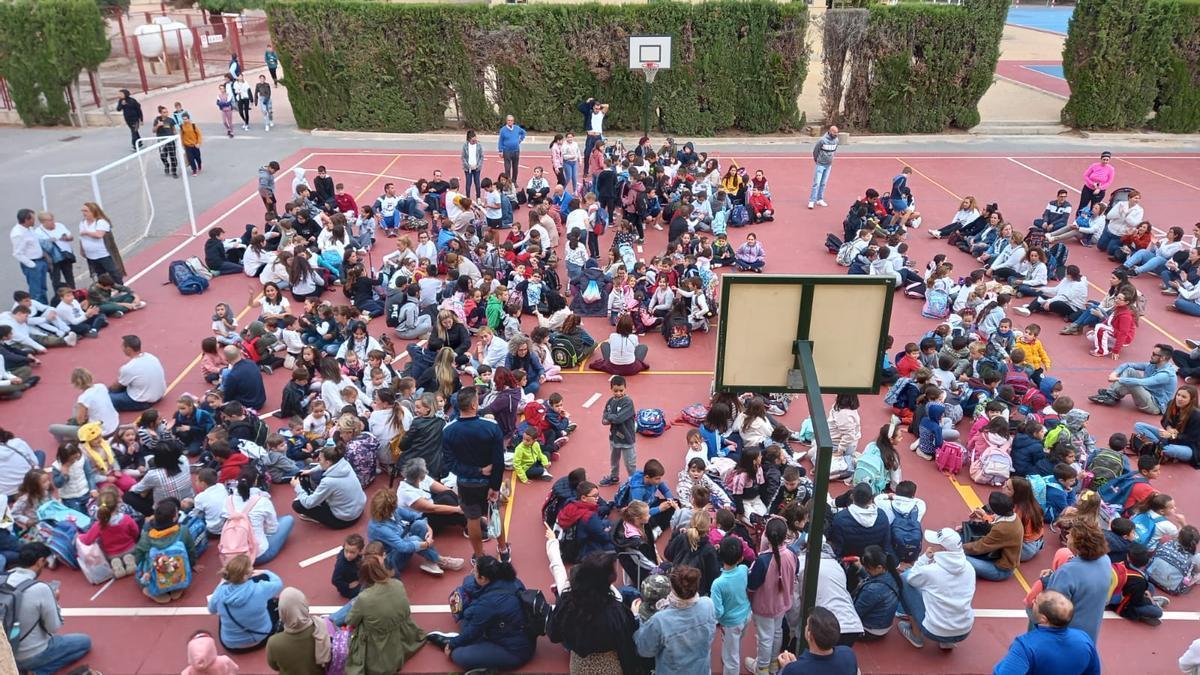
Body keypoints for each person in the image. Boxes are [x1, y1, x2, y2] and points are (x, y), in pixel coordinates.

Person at [427, 556, 536, 671]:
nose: (472, 572)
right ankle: (482, 651)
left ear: (483, 578)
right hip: (518, 636)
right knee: (469, 617)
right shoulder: (511, 580)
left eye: (475, 571)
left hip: (514, 652)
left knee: (458, 655)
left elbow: (473, 632)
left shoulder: (490, 603)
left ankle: (486, 663)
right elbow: (470, 583)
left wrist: (452, 644)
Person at [2, 542, 92, 674]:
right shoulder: (41, 588)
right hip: (31, 654)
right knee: (84, 642)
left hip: (6, 652)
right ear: (40, 561)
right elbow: (53, 627)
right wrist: (54, 601)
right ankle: (38, 672)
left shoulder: (3, 577)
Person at [442, 387, 510, 562]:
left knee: (472, 518)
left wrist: (474, 471)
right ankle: (503, 550)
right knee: (495, 514)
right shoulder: (491, 427)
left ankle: (479, 556)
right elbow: (499, 461)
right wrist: (494, 486)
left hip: (466, 484)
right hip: (488, 483)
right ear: (473, 405)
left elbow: (450, 464)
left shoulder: (448, 430)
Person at [546, 551, 642, 673]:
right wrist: (634, 615)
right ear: (610, 578)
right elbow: (626, 646)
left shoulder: (567, 602)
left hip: (579, 664)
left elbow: (554, 633)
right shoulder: (616, 612)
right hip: (608, 666)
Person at [344, 553, 426, 672]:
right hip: (406, 633)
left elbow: (350, 621)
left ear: (363, 575)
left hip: (380, 644)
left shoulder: (364, 597)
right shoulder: (397, 583)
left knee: (356, 623)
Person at [897, 528, 975, 650]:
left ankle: (916, 634)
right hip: (964, 631)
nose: (932, 546)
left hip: (934, 631)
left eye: (936, 544)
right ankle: (948, 642)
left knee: (904, 579)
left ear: (944, 549)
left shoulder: (931, 571)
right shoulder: (969, 568)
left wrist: (923, 559)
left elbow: (911, 578)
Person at [634, 564, 716, 675]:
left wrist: (638, 618)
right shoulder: (708, 604)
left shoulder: (660, 620)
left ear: (672, 588)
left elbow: (644, 650)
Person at [993, 590, 1101, 675]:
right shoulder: (1084, 639)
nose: (1033, 600)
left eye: (1036, 601)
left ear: (1044, 618)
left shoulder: (1025, 646)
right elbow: (1093, 671)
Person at [366, 489, 463, 576]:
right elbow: (402, 546)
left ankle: (431, 560)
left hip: (402, 537)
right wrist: (426, 544)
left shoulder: (393, 511)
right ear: (388, 509)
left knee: (420, 524)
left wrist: (429, 529)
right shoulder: (379, 528)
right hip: (390, 559)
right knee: (414, 539)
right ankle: (440, 560)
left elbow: (416, 516)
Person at [1045, 524, 1112, 642]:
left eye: (1070, 535)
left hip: (1066, 634)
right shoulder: (1105, 560)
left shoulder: (1067, 571)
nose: (1067, 535)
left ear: (1078, 544)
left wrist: (1047, 580)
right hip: (1089, 632)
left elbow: (1053, 607)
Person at [746, 519, 798, 674]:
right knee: (777, 632)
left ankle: (762, 667)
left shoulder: (762, 561)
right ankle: (775, 663)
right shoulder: (792, 554)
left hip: (765, 605)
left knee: (765, 637)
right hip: (782, 602)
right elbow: (794, 572)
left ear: (766, 536)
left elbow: (752, 585)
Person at [207, 554, 283, 652]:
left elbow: (211, 609)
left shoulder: (220, 592)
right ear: (246, 575)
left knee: (222, 612)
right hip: (261, 639)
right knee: (274, 603)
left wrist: (221, 585)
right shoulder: (260, 588)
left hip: (232, 646)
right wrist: (265, 571)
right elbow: (278, 583)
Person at [226, 468, 294, 565]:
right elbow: (272, 529)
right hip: (258, 555)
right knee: (288, 519)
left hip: (232, 554)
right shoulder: (262, 500)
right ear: (256, 481)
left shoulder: (228, 500)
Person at [1088, 343, 1178, 415]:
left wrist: (1118, 379)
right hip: (1147, 394)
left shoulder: (1166, 375)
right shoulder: (1154, 365)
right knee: (1130, 371)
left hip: (1155, 406)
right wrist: (1114, 373)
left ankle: (1112, 394)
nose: (1151, 356)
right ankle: (1112, 394)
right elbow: (1128, 364)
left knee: (1134, 383)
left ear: (1163, 358)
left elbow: (1143, 382)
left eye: (1154, 354)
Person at [290, 445, 367, 529]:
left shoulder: (328, 482)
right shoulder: (344, 464)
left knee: (297, 504)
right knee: (315, 477)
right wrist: (310, 471)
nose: (318, 461)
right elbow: (324, 465)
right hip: (358, 510)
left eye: (320, 459)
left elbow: (309, 503)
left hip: (344, 520)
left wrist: (297, 486)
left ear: (327, 462)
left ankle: (318, 517)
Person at [266, 587, 333, 674]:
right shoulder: (321, 627)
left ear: (282, 611)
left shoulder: (273, 642)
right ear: (305, 605)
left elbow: (274, 666)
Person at [776, 607, 859, 675]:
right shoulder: (848, 654)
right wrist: (796, 665)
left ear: (809, 635)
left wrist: (787, 668)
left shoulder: (793, 670)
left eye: (807, 624)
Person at [1131, 384, 1200, 464]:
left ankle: (1160, 449)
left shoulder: (1196, 416)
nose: (1179, 398)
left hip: (1189, 447)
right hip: (1169, 438)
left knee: (1169, 450)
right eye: (1178, 395)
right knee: (1139, 426)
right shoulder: (1172, 404)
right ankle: (1159, 449)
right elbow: (1164, 420)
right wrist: (1169, 427)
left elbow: (1192, 438)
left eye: (1184, 397)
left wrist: (1172, 436)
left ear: (1192, 400)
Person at [963, 491, 1023, 581]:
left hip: (1000, 569)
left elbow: (979, 547)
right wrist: (984, 516)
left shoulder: (1002, 529)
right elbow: (995, 523)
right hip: (997, 555)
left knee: (959, 557)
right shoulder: (1013, 517)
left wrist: (958, 548)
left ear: (996, 510)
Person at [712, 537, 751, 675]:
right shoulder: (744, 569)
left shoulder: (718, 584)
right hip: (746, 615)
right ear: (741, 557)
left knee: (732, 659)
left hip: (730, 623)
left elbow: (718, 611)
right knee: (734, 645)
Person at [108, 335, 166, 412]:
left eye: (122, 346)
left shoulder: (129, 368)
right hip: (158, 394)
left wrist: (108, 390)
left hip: (142, 401)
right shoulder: (151, 357)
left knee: (106, 398)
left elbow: (116, 386)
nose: (122, 349)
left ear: (128, 349)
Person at [11, 208, 48, 305]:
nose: (34, 220)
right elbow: (17, 253)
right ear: (26, 220)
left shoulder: (29, 229)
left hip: (40, 261)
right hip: (33, 264)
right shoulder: (18, 234)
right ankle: (37, 312)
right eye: (32, 218)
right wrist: (32, 265)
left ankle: (45, 308)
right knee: (36, 291)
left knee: (42, 288)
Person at [221, 345, 267, 411]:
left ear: (226, 359)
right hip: (261, 400)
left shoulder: (232, 375)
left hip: (248, 405)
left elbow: (227, 396)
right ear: (239, 353)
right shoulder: (251, 363)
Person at [808, 125, 838, 209]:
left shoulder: (836, 140)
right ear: (830, 131)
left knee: (823, 183)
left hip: (829, 165)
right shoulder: (822, 140)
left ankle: (820, 199)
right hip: (820, 164)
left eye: (837, 133)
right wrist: (817, 160)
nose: (836, 134)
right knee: (816, 183)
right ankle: (811, 201)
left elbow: (834, 151)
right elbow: (815, 151)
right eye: (834, 132)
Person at [152, 105, 179, 178]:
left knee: (173, 156)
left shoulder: (170, 120)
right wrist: (158, 125)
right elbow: (153, 131)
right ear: (160, 113)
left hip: (170, 140)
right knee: (163, 156)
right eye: (164, 112)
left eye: (167, 112)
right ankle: (166, 165)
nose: (166, 113)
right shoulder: (157, 120)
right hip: (162, 141)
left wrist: (176, 137)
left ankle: (174, 171)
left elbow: (173, 129)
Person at [498, 115, 526, 184]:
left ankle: (514, 182)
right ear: (506, 121)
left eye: (511, 120)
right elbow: (500, 141)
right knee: (507, 168)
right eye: (508, 120)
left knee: (515, 167)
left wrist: (521, 139)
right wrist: (500, 151)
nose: (510, 122)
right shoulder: (503, 130)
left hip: (516, 150)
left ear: (513, 121)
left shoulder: (517, 128)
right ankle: (508, 182)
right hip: (507, 151)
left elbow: (523, 133)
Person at [461, 129, 485, 199]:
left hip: (477, 168)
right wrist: (469, 166)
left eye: (475, 139)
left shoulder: (479, 145)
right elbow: (463, 157)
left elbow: (481, 156)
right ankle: (468, 197)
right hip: (468, 168)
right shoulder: (465, 146)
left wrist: (477, 166)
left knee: (477, 183)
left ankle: (478, 197)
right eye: (472, 140)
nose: (474, 141)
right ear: (469, 139)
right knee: (468, 183)